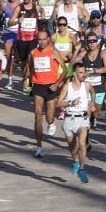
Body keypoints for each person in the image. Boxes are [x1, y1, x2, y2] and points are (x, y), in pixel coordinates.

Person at [25, 28, 66, 158]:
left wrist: (57, 83)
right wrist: (27, 80)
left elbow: (64, 69)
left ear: (48, 39)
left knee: (49, 117)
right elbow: (30, 68)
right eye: (39, 40)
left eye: (44, 39)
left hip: (51, 87)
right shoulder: (33, 53)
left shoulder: (54, 52)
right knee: (37, 115)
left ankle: (51, 122)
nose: (41, 42)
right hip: (38, 86)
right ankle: (39, 146)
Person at [58, 62, 95, 183]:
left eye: (84, 72)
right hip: (69, 118)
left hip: (83, 118)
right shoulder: (66, 87)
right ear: (74, 74)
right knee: (72, 146)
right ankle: (76, 162)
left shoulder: (87, 85)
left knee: (82, 144)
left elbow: (93, 93)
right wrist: (70, 103)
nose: (83, 74)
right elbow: (59, 103)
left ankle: (82, 169)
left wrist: (92, 103)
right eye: (80, 72)